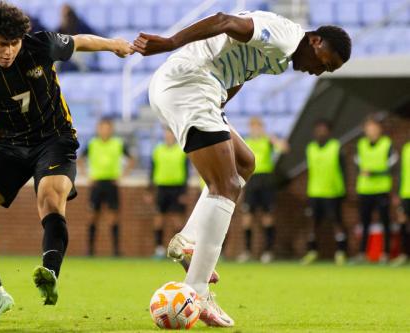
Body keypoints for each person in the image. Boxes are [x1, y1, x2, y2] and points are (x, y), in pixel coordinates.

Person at [0, 1, 133, 321]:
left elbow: (81, 40)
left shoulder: (40, 45)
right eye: (2, 44)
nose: (9, 51)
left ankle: (50, 272)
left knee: (49, 196)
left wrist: (113, 45)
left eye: (14, 43)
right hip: (11, 145)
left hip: (54, 139)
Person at [133, 10, 351, 326]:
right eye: (325, 62)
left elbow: (241, 70)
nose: (320, 72)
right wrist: (170, 42)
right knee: (228, 186)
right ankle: (197, 291)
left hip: (202, 91)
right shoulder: (287, 36)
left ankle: (187, 241)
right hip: (190, 84)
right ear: (315, 40)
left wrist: (222, 103)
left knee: (245, 163)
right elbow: (224, 21)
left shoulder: (281, 57)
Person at [78, 118, 135, 256]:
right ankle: (90, 251)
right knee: (92, 216)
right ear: (98, 129)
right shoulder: (92, 144)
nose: (105, 130)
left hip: (111, 183)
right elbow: (79, 159)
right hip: (96, 184)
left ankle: (115, 251)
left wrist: (122, 176)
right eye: (102, 127)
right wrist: (86, 175)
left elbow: (132, 159)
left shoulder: (118, 143)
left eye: (107, 128)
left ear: (111, 129)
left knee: (113, 217)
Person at [236, 116, 288, 264]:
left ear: (262, 128)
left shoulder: (267, 141)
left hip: (266, 180)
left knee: (267, 216)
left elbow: (284, 149)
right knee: (247, 217)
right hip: (251, 180)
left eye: (258, 127)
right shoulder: (247, 142)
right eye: (253, 127)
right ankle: (247, 251)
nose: (255, 130)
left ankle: (268, 251)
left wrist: (274, 139)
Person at [301, 120, 348, 265]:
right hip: (315, 192)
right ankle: (312, 252)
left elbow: (344, 170)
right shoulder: (310, 148)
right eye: (318, 129)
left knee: (336, 222)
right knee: (313, 224)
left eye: (323, 129)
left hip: (333, 192)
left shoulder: (336, 147)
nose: (320, 132)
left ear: (329, 132)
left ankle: (341, 252)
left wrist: (343, 190)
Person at [354, 116, 398, 263]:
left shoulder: (387, 144)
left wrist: (374, 173)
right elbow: (357, 165)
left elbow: (393, 167)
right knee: (364, 222)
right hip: (365, 189)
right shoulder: (360, 145)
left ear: (379, 129)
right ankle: (362, 253)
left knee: (385, 222)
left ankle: (385, 253)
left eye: (374, 127)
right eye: (368, 128)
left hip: (381, 189)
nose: (371, 130)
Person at [146, 128, 189, 258]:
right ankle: (159, 248)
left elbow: (186, 172)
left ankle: (179, 249)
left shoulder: (182, 151)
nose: (169, 136)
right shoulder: (158, 150)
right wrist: (149, 190)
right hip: (162, 188)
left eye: (171, 134)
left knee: (177, 220)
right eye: (167, 134)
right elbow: (152, 171)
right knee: (159, 219)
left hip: (177, 188)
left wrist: (184, 192)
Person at [391, 140, 410, 266]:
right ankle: (404, 254)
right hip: (406, 192)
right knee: (403, 222)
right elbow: (401, 172)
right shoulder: (406, 148)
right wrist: (397, 192)